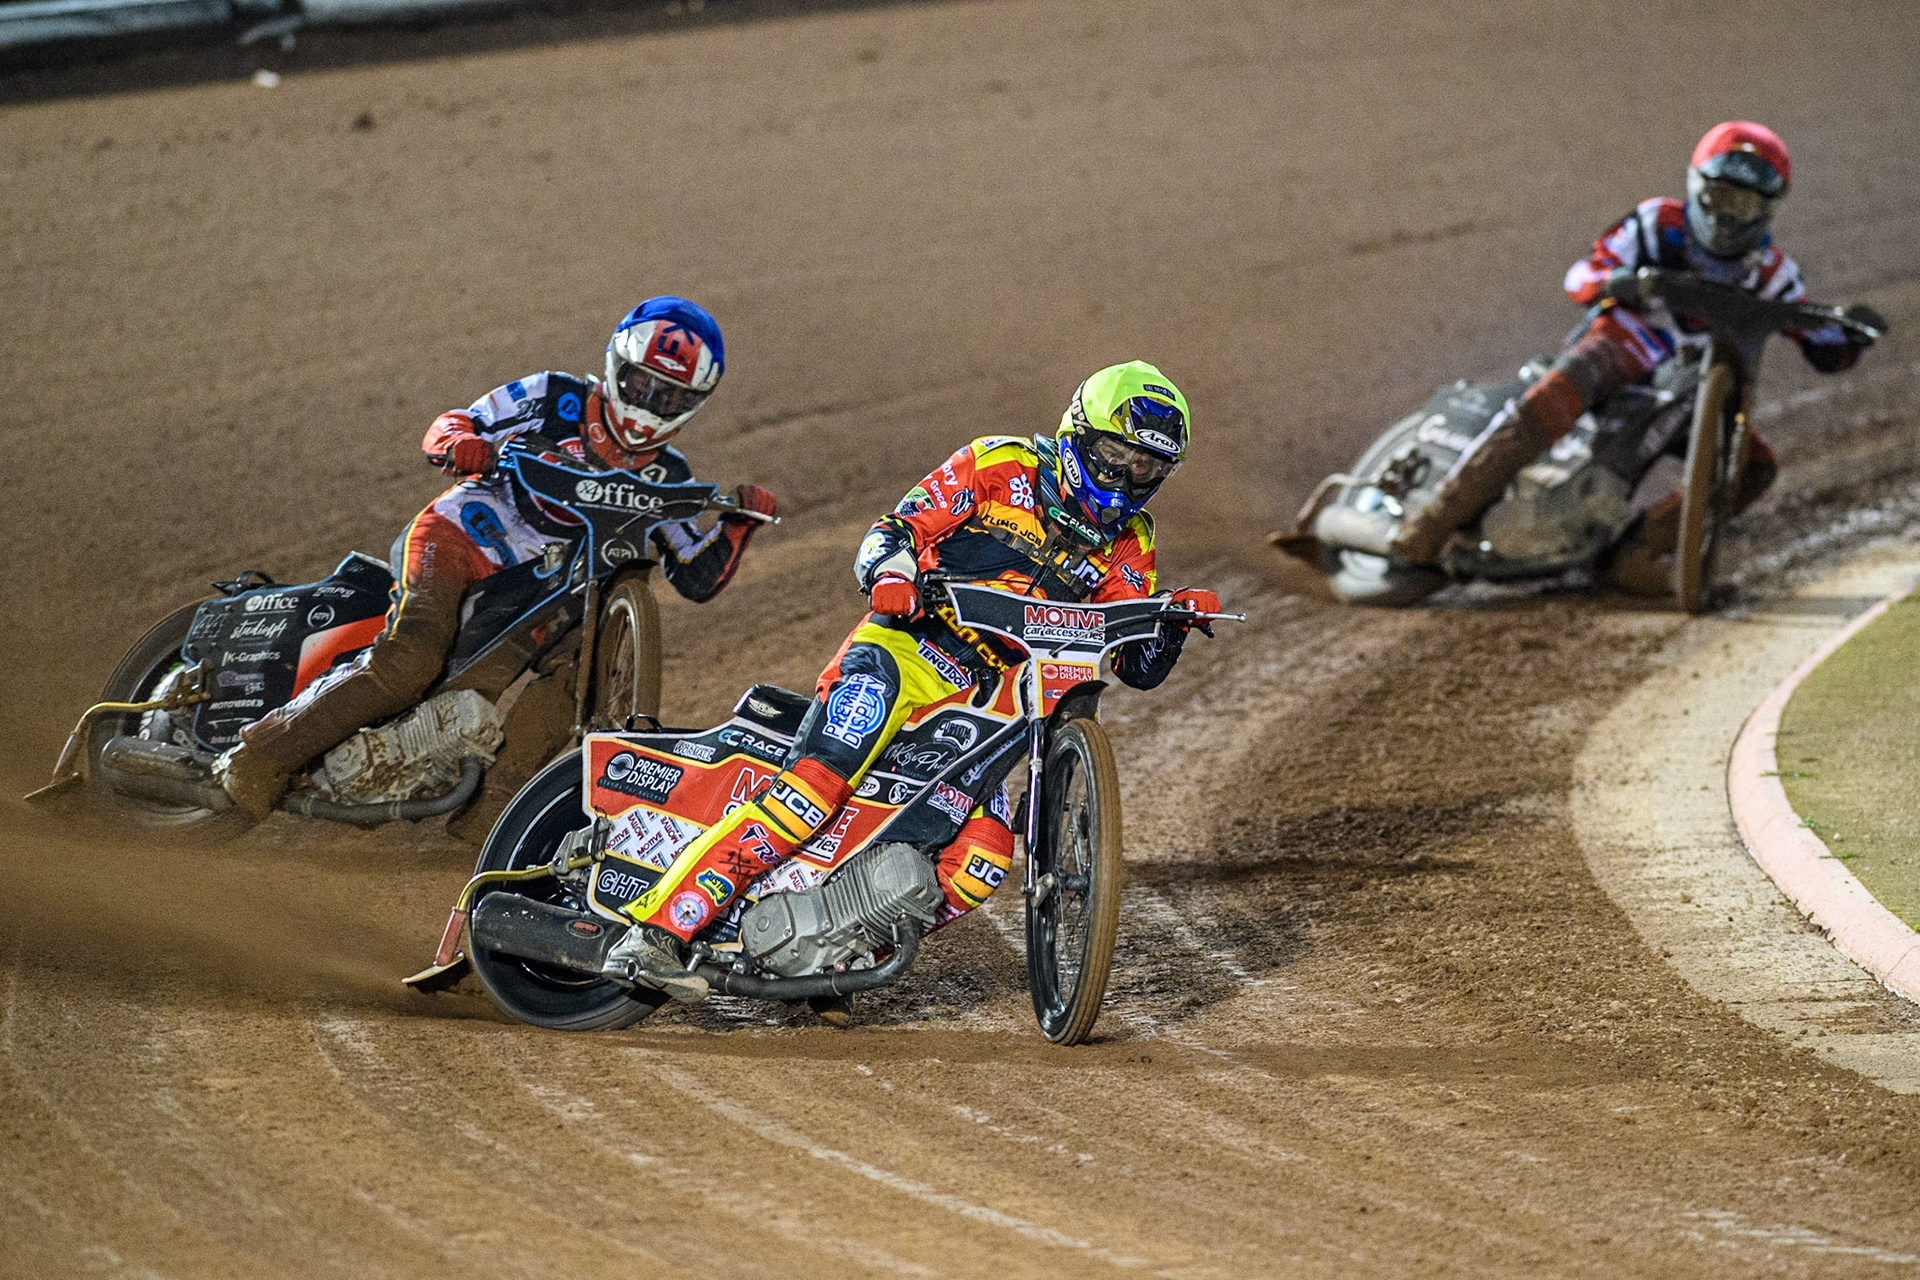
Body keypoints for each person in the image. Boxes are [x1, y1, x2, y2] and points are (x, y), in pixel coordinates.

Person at [601, 360, 1220, 1003]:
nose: (1129, 478)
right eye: (1117, 456)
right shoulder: (999, 464)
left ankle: (833, 954)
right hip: (906, 652)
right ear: (1077, 435)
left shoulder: (1133, 540)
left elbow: (1133, 665)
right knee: (811, 792)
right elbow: (895, 529)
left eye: (1148, 467)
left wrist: (1170, 622)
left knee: (982, 858)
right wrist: (891, 574)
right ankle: (655, 933)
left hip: (992, 702)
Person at [216, 296, 776, 819]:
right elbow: (453, 423)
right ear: (616, 366)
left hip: (546, 594)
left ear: (695, 403)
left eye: (671, 397)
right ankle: (259, 756)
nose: (651, 405)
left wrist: (738, 524)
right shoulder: (554, 396)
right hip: (458, 538)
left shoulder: (669, 475)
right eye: (643, 384)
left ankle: (491, 820)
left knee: (577, 678)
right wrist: (462, 444)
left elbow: (694, 576)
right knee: (410, 659)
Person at [1389, 121, 1876, 569]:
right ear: (1697, 186)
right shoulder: (1656, 222)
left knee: (1754, 468)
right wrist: (1616, 282)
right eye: (1721, 195)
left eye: (1743, 204)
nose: (1728, 215)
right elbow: (1581, 275)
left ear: (1767, 208)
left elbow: (1827, 350)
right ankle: (1434, 519)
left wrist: (1852, 332)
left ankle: (1636, 553)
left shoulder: (1773, 274)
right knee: (1569, 382)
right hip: (1627, 343)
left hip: (1691, 386)